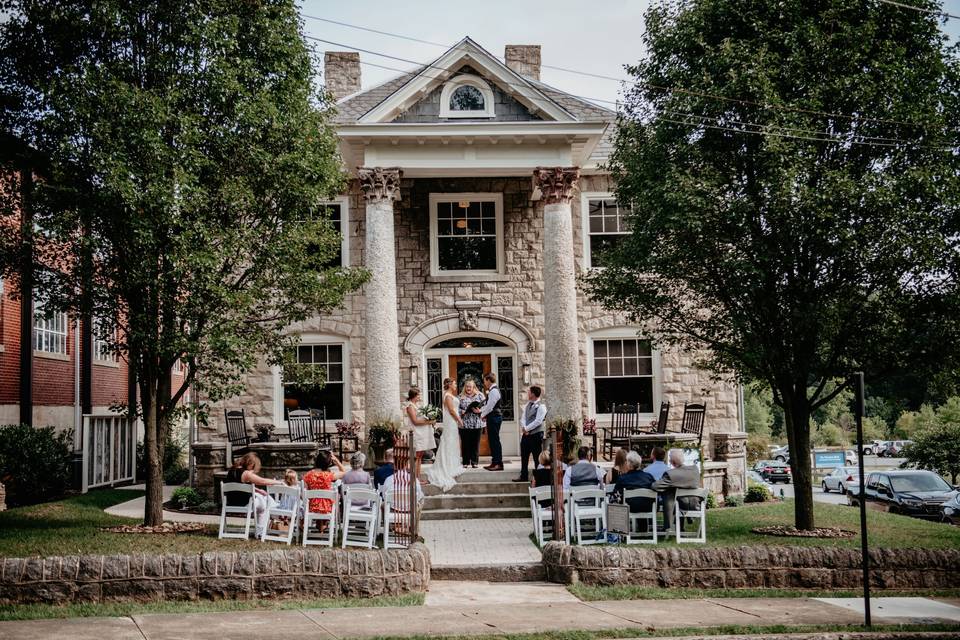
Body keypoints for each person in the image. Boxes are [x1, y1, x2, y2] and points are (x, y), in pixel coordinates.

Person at [224, 452, 281, 538]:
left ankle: (274, 513)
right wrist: (279, 482)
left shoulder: (232, 470)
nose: (254, 471)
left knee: (263, 499)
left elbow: (240, 487)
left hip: (231, 502)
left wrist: (257, 490)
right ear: (251, 464)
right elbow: (262, 481)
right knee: (264, 504)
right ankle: (262, 530)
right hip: (244, 503)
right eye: (254, 467)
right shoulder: (246, 473)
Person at [427, 377, 465, 491]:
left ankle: (453, 463)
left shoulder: (450, 395)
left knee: (452, 442)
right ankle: (447, 466)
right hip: (451, 422)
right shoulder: (447, 396)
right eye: (454, 384)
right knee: (449, 442)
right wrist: (459, 420)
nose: (456, 386)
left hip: (453, 422)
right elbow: (452, 410)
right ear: (449, 385)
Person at [652, 449, 702, 531]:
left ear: (672, 462)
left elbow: (655, 486)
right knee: (675, 492)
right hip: (695, 504)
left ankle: (669, 527)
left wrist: (669, 486)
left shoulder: (671, 474)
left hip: (680, 504)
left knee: (670, 494)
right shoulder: (695, 470)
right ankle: (680, 528)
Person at [515, 385, 547, 482]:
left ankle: (538, 478)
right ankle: (523, 476)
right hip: (526, 435)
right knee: (524, 456)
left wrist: (527, 429)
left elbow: (538, 421)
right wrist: (524, 428)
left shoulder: (542, 406)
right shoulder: (528, 404)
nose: (527, 393)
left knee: (537, 457)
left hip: (536, 435)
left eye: (529, 392)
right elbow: (523, 418)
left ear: (533, 394)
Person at [404, 388, 437, 481]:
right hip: (416, 433)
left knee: (419, 456)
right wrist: (429, 422)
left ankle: (417, 478)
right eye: (418, 395)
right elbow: (415, 421)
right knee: (416, 456)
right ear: (413, 395)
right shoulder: (410, 406)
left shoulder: (417, 405)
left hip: (421, 433)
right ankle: (414, 479)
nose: (419, 396)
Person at [303, 449, 346, 516]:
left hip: (312, 507)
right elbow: (344, 472)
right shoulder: (328, 475)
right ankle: (325, 523)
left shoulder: (308, 475)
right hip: (327, 508)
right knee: (337, 496)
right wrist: (336, 460)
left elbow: (303, 494)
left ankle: (320, 524)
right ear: (328, 463)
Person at [459, 378, 485, 468]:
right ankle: (465, 462)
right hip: (464, 424)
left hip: (477, 424)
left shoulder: (480, 396)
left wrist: (479, 411)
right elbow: (455, 409)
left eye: (470, 386)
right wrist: (461, 411)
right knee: (465, 444)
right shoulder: (460, 396)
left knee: (475, 444)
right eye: (466, 386)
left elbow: (486, 408)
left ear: (474, 387)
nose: (468, 388)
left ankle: (474, 462)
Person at [480, 372, 503, 471]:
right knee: (492, 440)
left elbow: (490, 406)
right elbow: (488, 405)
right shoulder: (492, 390)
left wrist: (482, 415)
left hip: (495, 417)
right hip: (492, 416)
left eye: (484, 380)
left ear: (488, 380)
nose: (484, 383)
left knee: (495, 440)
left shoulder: (494, 391)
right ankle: (494, 462)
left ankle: (498, 463)